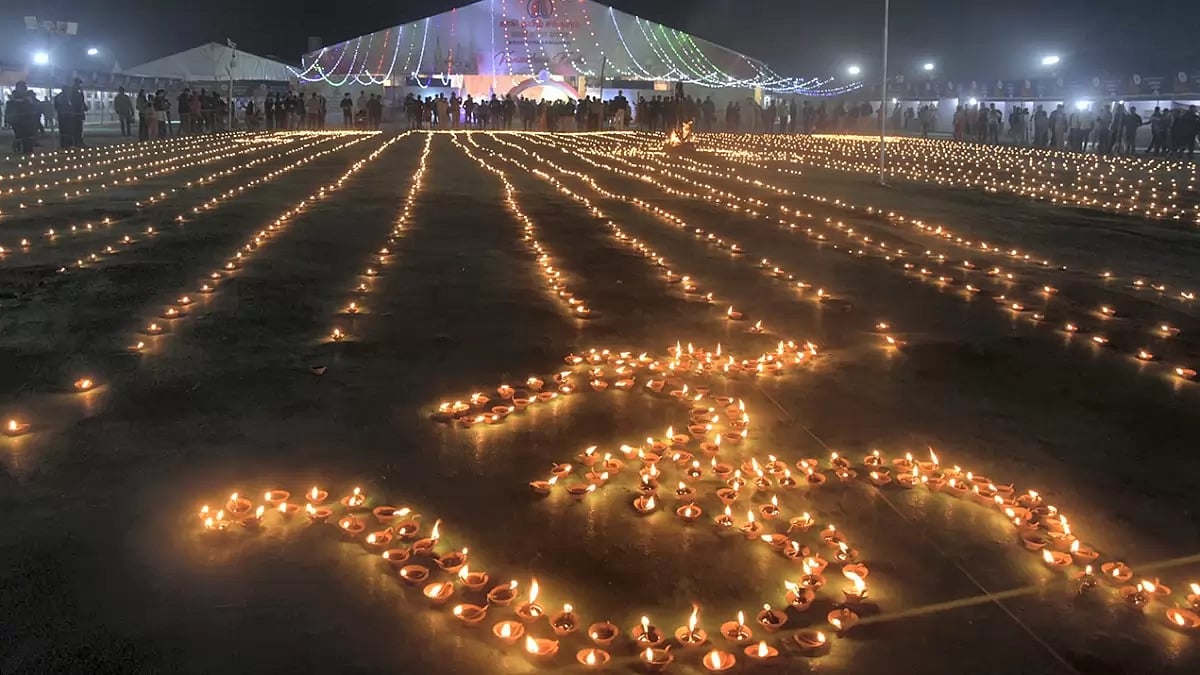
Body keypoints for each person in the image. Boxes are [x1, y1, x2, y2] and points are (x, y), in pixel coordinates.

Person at [4, 81, 39, 154]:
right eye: (21, 87)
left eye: (23, 87)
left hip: (27, 119)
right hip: (17, 120)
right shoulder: (13, 98)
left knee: (28, 135)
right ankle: (18, 149)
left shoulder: (28, 97)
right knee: (19, 135)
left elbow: (33, 106)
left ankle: (28, 150)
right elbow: (10, 108)